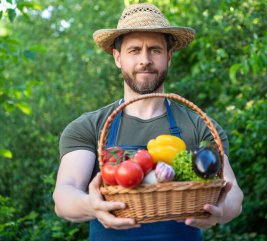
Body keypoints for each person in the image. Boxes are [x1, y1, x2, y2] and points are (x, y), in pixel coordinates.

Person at [53, 3, 243, 241]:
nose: (145, 60)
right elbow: (65, 194)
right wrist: (92, 206)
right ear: (117, 57)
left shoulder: (200, 126)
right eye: (134, 50)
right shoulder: (89, 127)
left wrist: (221, 211)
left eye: (155, 50)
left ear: (169, 57)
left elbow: (232, 190)